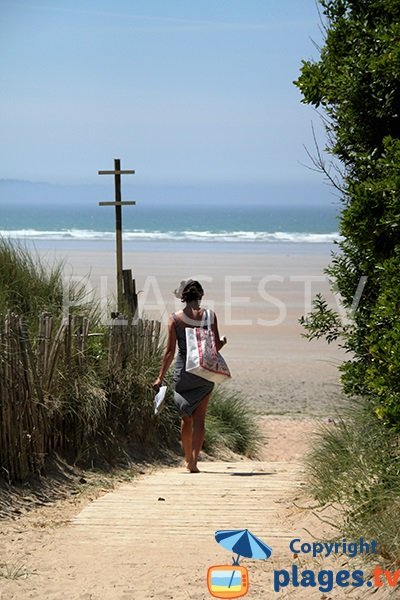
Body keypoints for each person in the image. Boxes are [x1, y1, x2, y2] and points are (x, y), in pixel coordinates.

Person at [153, 279, 227, 473]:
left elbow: (169, 351)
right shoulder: (210, 316)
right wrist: (223, 342)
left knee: (186, 418)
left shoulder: (175, 319)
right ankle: (194, 461)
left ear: (183, 298)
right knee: (200, 418)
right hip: (204, 372)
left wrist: (160, 377)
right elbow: (214, 347)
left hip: (183, 371)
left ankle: (187, 458)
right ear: (200, 296)